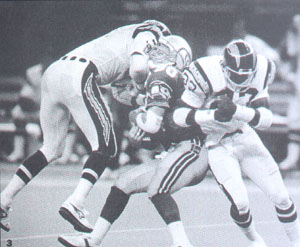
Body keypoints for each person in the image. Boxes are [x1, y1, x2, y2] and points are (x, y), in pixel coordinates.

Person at [0, 20, 171, 233]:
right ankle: (76, 202)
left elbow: (120, 92)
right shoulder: (150, 32)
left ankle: (4, 199)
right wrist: (147, 87)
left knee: (51, 149)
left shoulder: (124, 41)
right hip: (80, 73)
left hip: (56, 72)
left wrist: (145, 100)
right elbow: (138, 70)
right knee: (107, 146)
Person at [57, 35, 208, 247]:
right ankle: (93, 240)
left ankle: (182, 243)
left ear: (176, 59)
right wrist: (139, 140)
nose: (154, 51)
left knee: (158, 189)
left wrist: (135, 116)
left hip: (192, 150)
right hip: (177, 151)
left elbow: (153, 125)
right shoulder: (162, 84)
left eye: (164, 50)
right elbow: (157, 136)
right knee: (123, 183)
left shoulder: (165, 75)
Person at [171, 39, 300, 247]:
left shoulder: (261, 70)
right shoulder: (206, 72)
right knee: (240, 203)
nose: (241, 80)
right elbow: (177, 116)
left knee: (281, 197)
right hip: (216, 144)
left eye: (246, 75)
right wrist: (211, 115)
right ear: (224, 67)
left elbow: (266, 119)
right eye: (236, 74)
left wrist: (237, 111)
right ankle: (255, 240)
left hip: (244, 136)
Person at [279, 14, 300, 171]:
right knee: (294, 120)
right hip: (297, 86)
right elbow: (286, 58)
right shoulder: (292, 37)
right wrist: (289, 77)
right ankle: (292, 159)